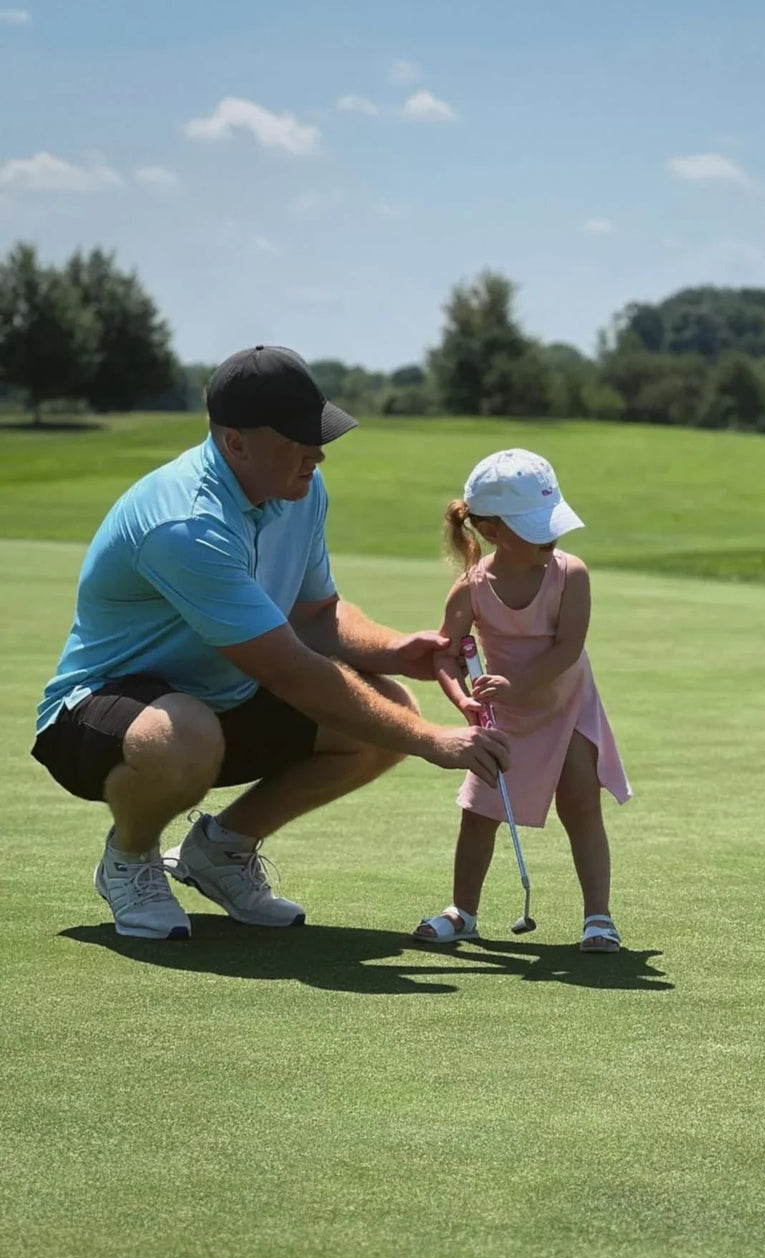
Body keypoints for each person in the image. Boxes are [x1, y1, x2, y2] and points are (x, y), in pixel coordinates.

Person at [31, 345, 508, 941]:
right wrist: (432, 741)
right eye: (300, 438)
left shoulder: (300, 491)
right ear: (236, 443)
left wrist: (390, 650)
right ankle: (129, 860)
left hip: (217, 701)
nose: (319, 452)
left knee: (381, 710)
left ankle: (221, 851)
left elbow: (316, 615)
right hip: (96, 717)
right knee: (185, 732)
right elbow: (288, 668)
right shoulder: (188, 524)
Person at [413, 448, 631, 952]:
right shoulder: (469, 589)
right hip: (503, 718)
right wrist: (464, 702)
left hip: (569, 707)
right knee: (479, 813)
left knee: (581, 808)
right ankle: (462, 911)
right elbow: (445, 657)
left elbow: (567, 649)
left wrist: (515, 684)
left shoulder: (570, 574)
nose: (551, 536)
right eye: (535, 526)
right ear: (492, 531)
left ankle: (598, 917)